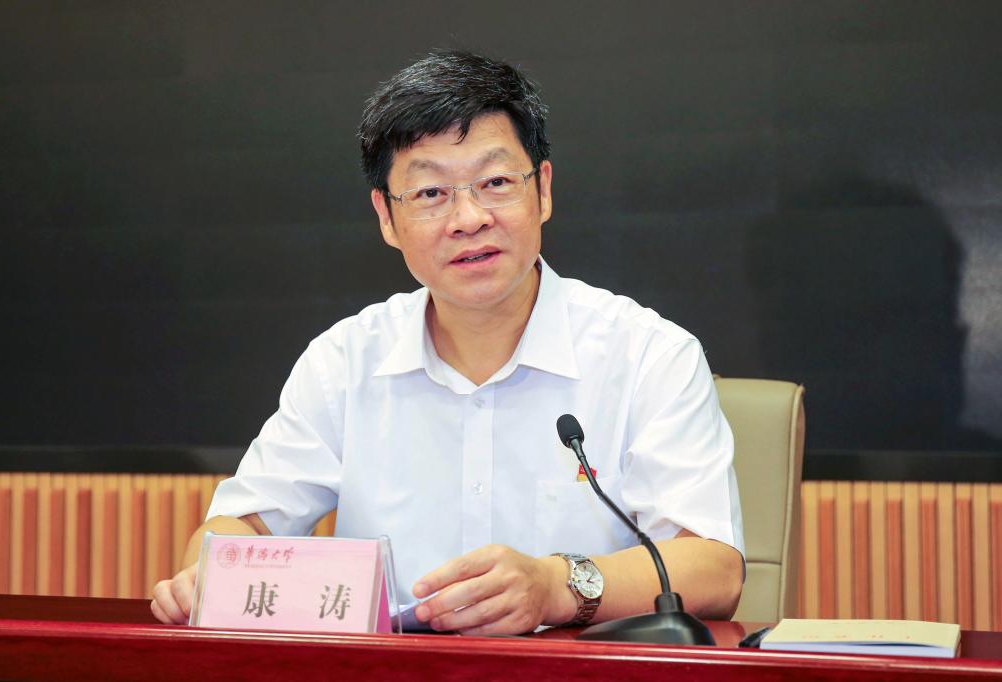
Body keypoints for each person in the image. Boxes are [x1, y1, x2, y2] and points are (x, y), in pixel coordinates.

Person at [151, 50, 744, 635]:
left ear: (542, 190)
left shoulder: (649, 355)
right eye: (431, 193)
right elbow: (242, 526)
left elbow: (714, 569)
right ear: (386, 217)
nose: (468, 218)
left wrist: (555, 586)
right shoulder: (344, 362)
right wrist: (205, 577)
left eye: (495, 182)